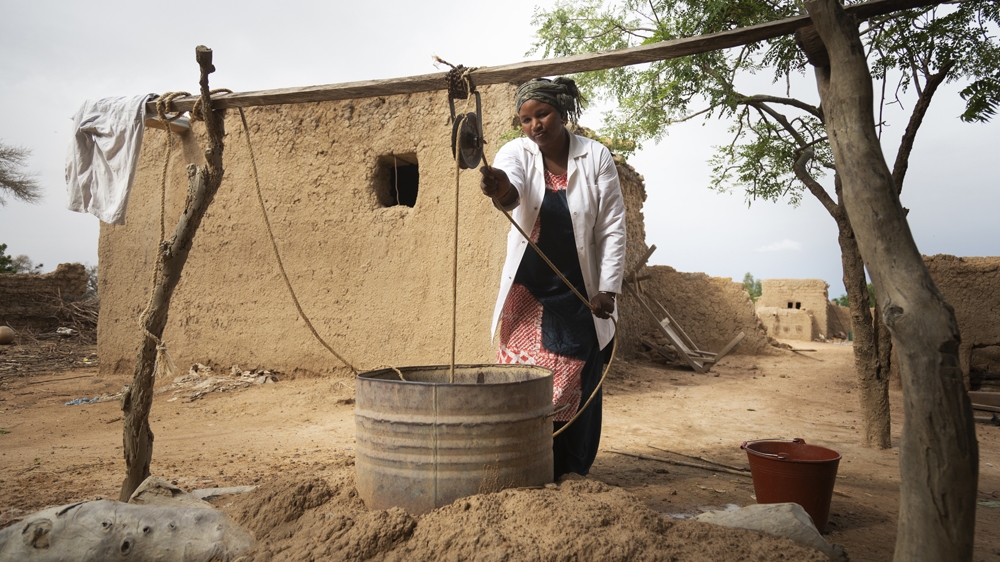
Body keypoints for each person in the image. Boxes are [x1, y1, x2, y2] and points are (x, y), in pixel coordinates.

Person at [479, 77, 626, 479]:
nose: (534, 125)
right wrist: (500, 188)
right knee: (525, 379)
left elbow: (612, 225)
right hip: (530, 292)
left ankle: (570, 470)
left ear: (562, 112)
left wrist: (607, 290)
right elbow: (514, 192)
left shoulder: (595, 157)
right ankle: (524, 462)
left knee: (572, 377)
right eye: (526, 119)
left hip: (580, 293)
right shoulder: (517, 152)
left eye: (542, 114)